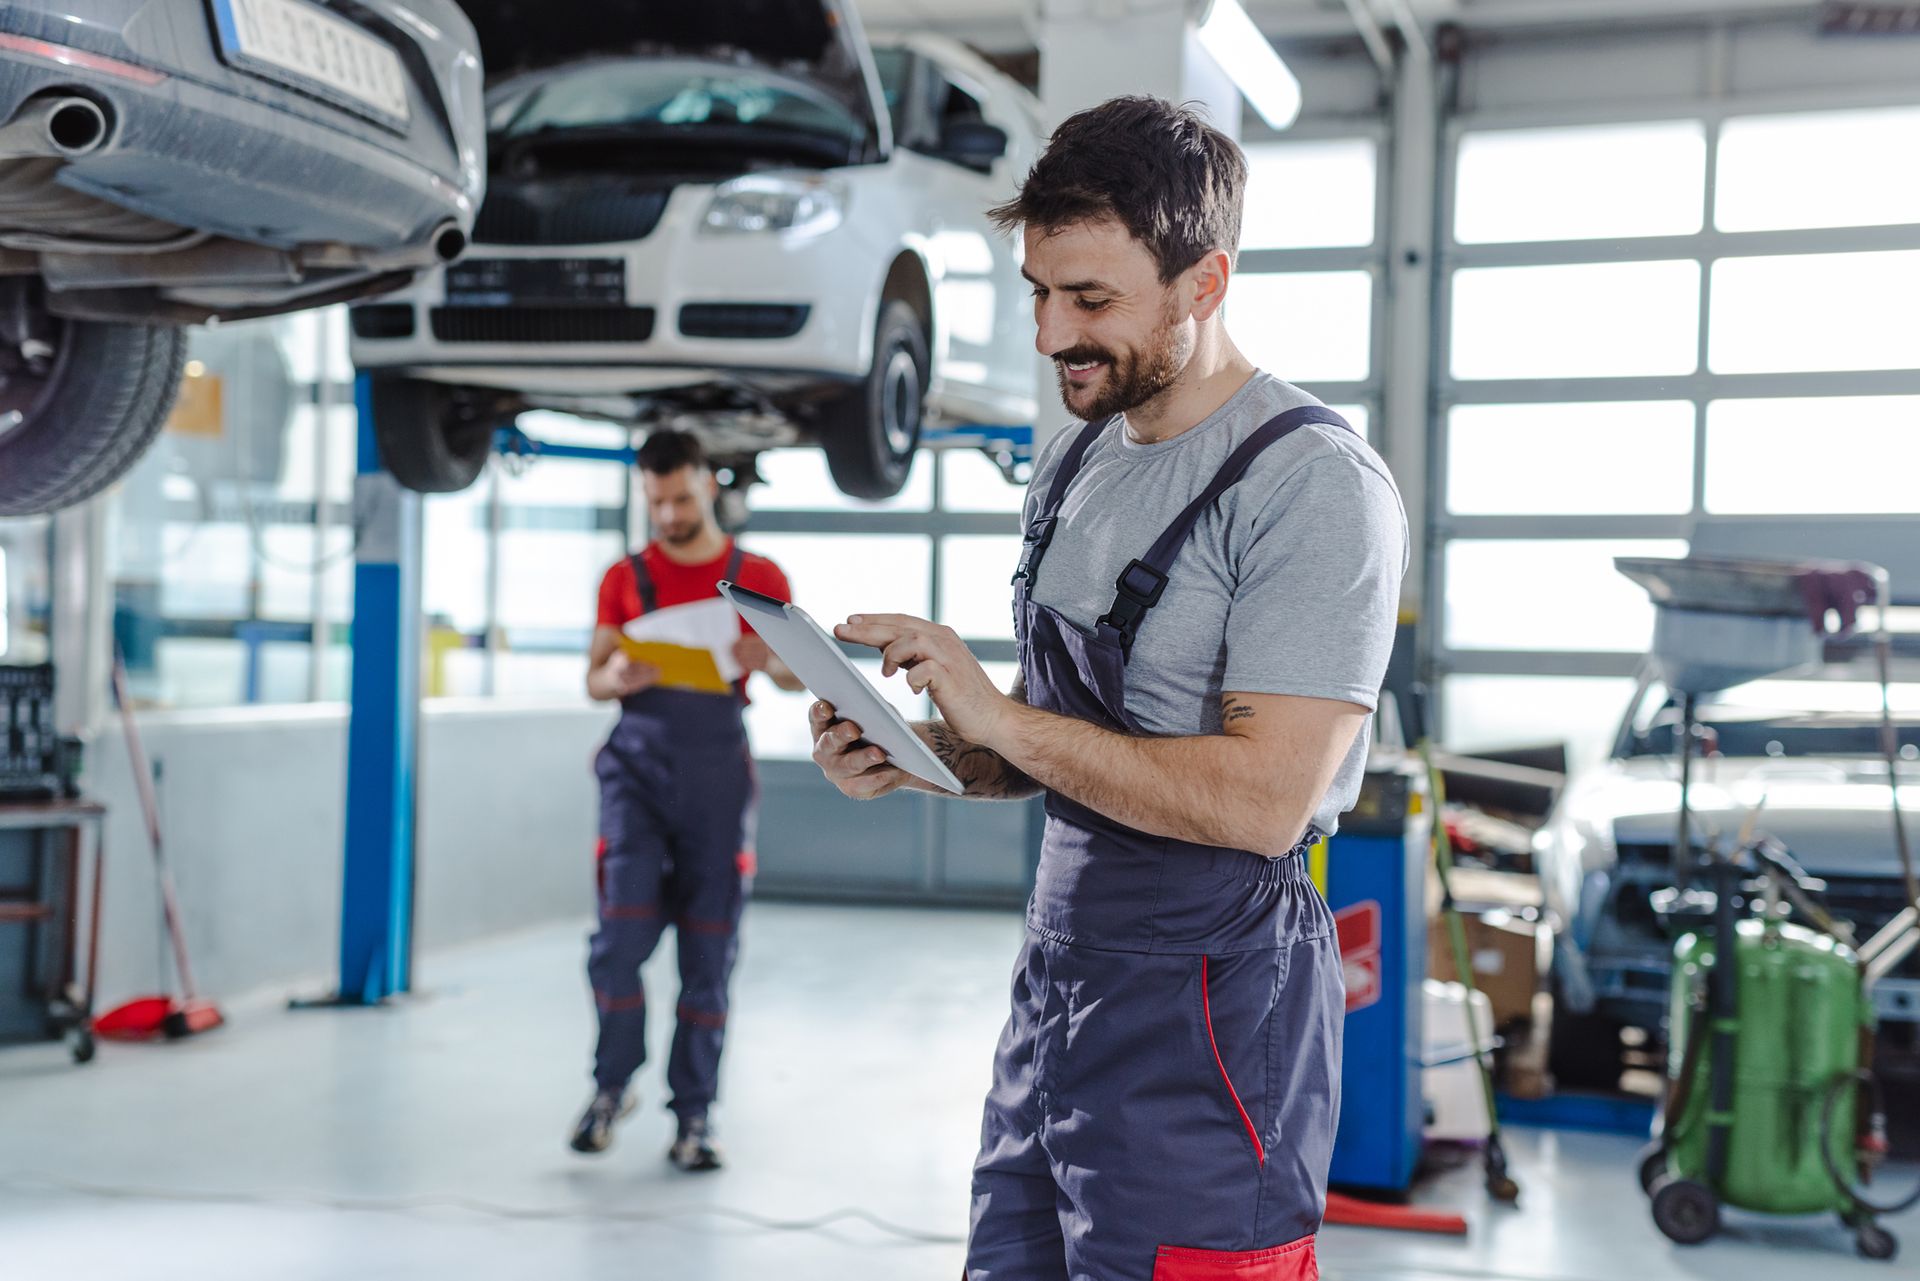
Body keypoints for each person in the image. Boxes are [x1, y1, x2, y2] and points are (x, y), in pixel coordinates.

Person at [808, 97, 1409, 1279]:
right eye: (1040, 290)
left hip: (1216, 1011)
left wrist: (998, 716)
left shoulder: (1313, 489)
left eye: (1091, 301)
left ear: (1204, 281)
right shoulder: (1077, 459)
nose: (1050, 335)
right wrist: (930, 752)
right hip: (1061, 984)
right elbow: (1061, 741)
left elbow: (1258, 804)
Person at [572, 429, 804, 1170]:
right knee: (617, 946)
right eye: (656, 501)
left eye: (679, 497)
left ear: (708, 483)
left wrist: (767, 657)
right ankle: (613, 1084)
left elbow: (801, 677)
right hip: (635, 769)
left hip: (715, 771)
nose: (668, 514)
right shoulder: (624, 578)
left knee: (709, 950)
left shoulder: (759, 574)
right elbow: (594, 676)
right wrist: (620, 678)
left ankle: (695, 1115)